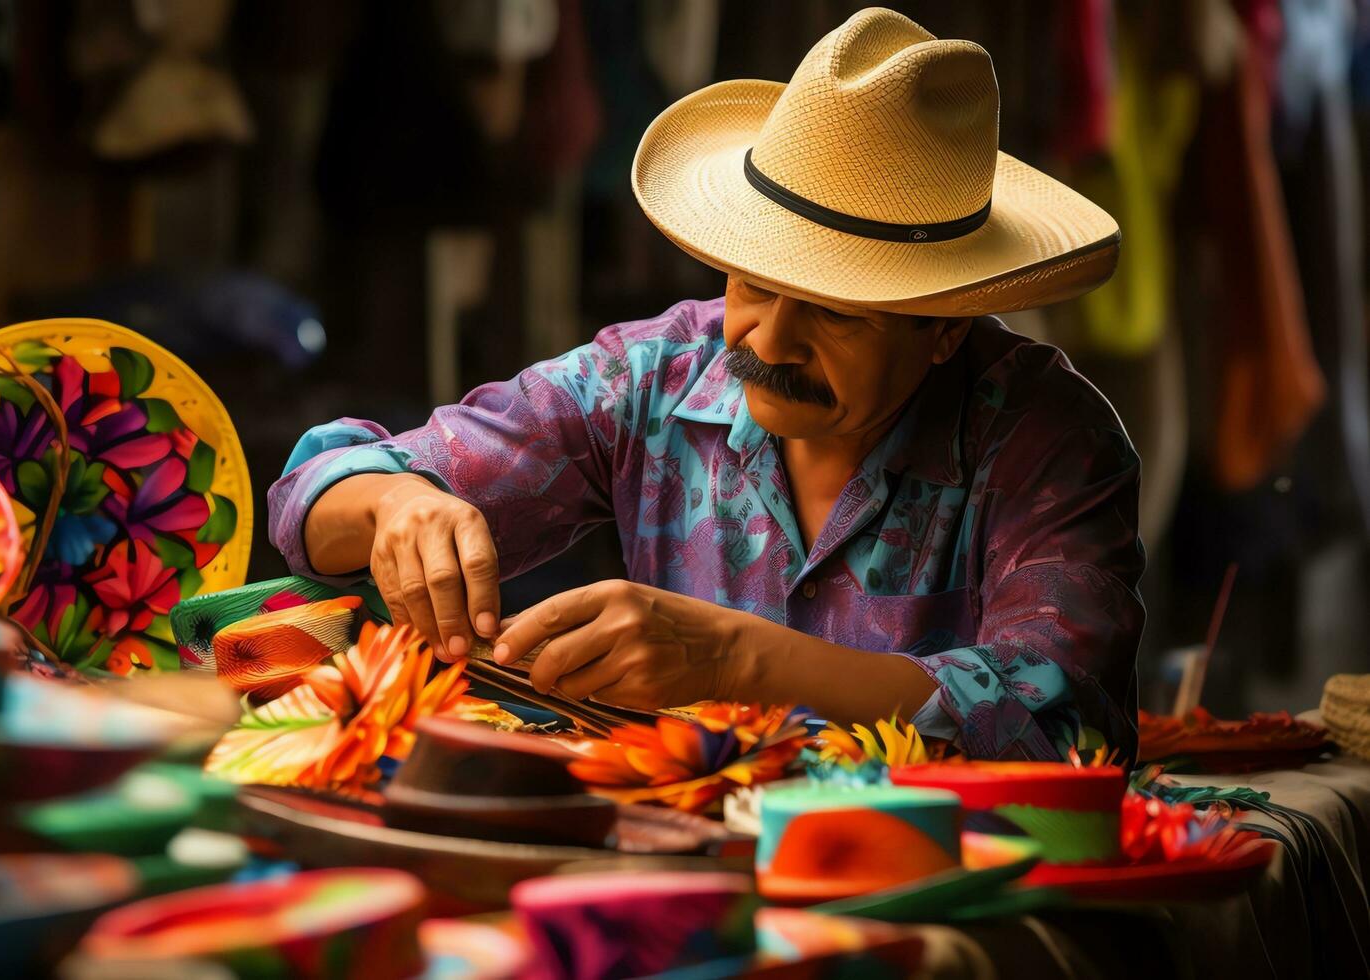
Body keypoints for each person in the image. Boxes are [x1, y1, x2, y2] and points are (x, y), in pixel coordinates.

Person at [269, 7, 1143, 760]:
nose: (769, 337)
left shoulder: (1042, 437)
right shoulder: (651, 377)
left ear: (944, 325)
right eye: (752, 282)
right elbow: (312, 490)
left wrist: (737, 658)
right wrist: (396, 505)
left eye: (836, 312)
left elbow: (1069, 720)